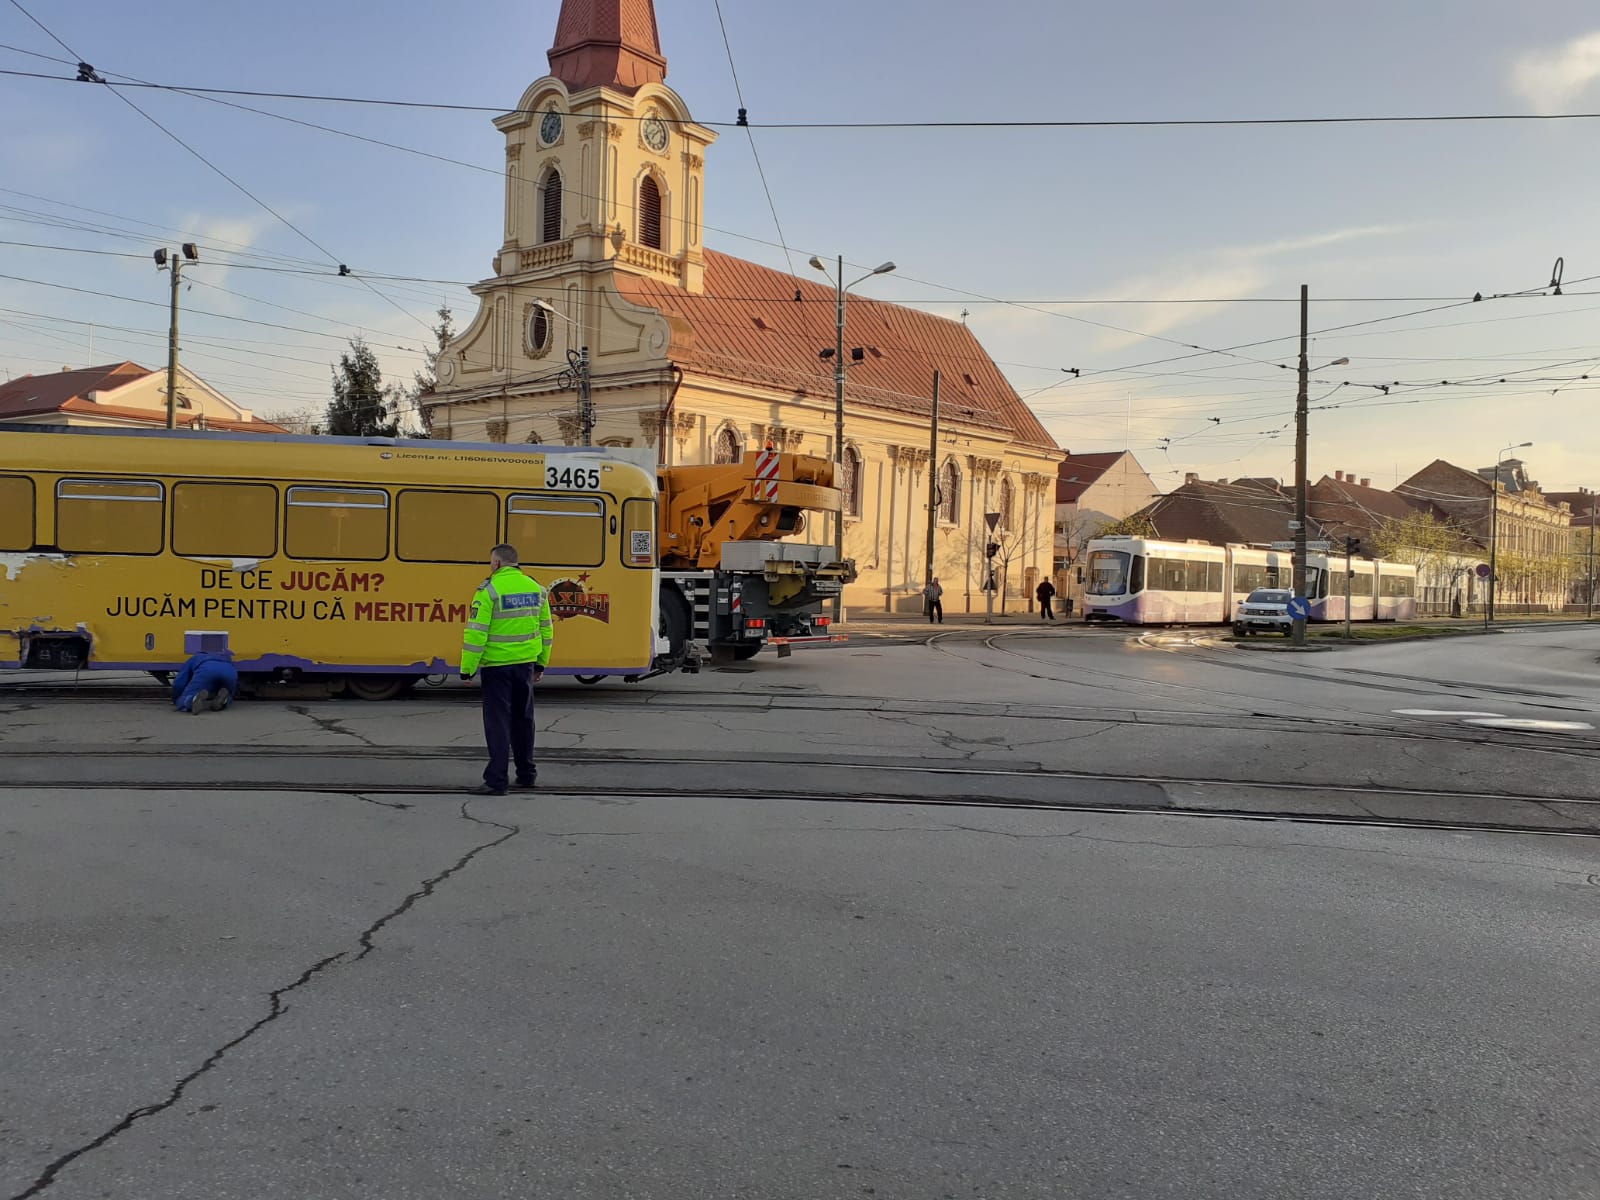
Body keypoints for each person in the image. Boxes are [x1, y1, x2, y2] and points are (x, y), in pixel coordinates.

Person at [460, 543, 555, 796]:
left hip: (497, 668)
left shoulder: (488, 591)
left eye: (491, 562)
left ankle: (496, 781)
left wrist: (467, 669)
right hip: (525, 666)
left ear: (497, 563)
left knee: (498, 722)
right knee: (524, 721)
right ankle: (527, 775)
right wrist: (541, 663)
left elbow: (476, 634)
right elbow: (546, 630)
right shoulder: (537, 589)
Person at [171, 650, 237, 713]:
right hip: (230, 671)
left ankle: (192, 699)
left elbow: (179, 683)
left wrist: (176, 698)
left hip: (206, 670)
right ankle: (225, 700)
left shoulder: (196, 657)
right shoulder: (226, 657)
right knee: (229, 693)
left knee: (184, 699)